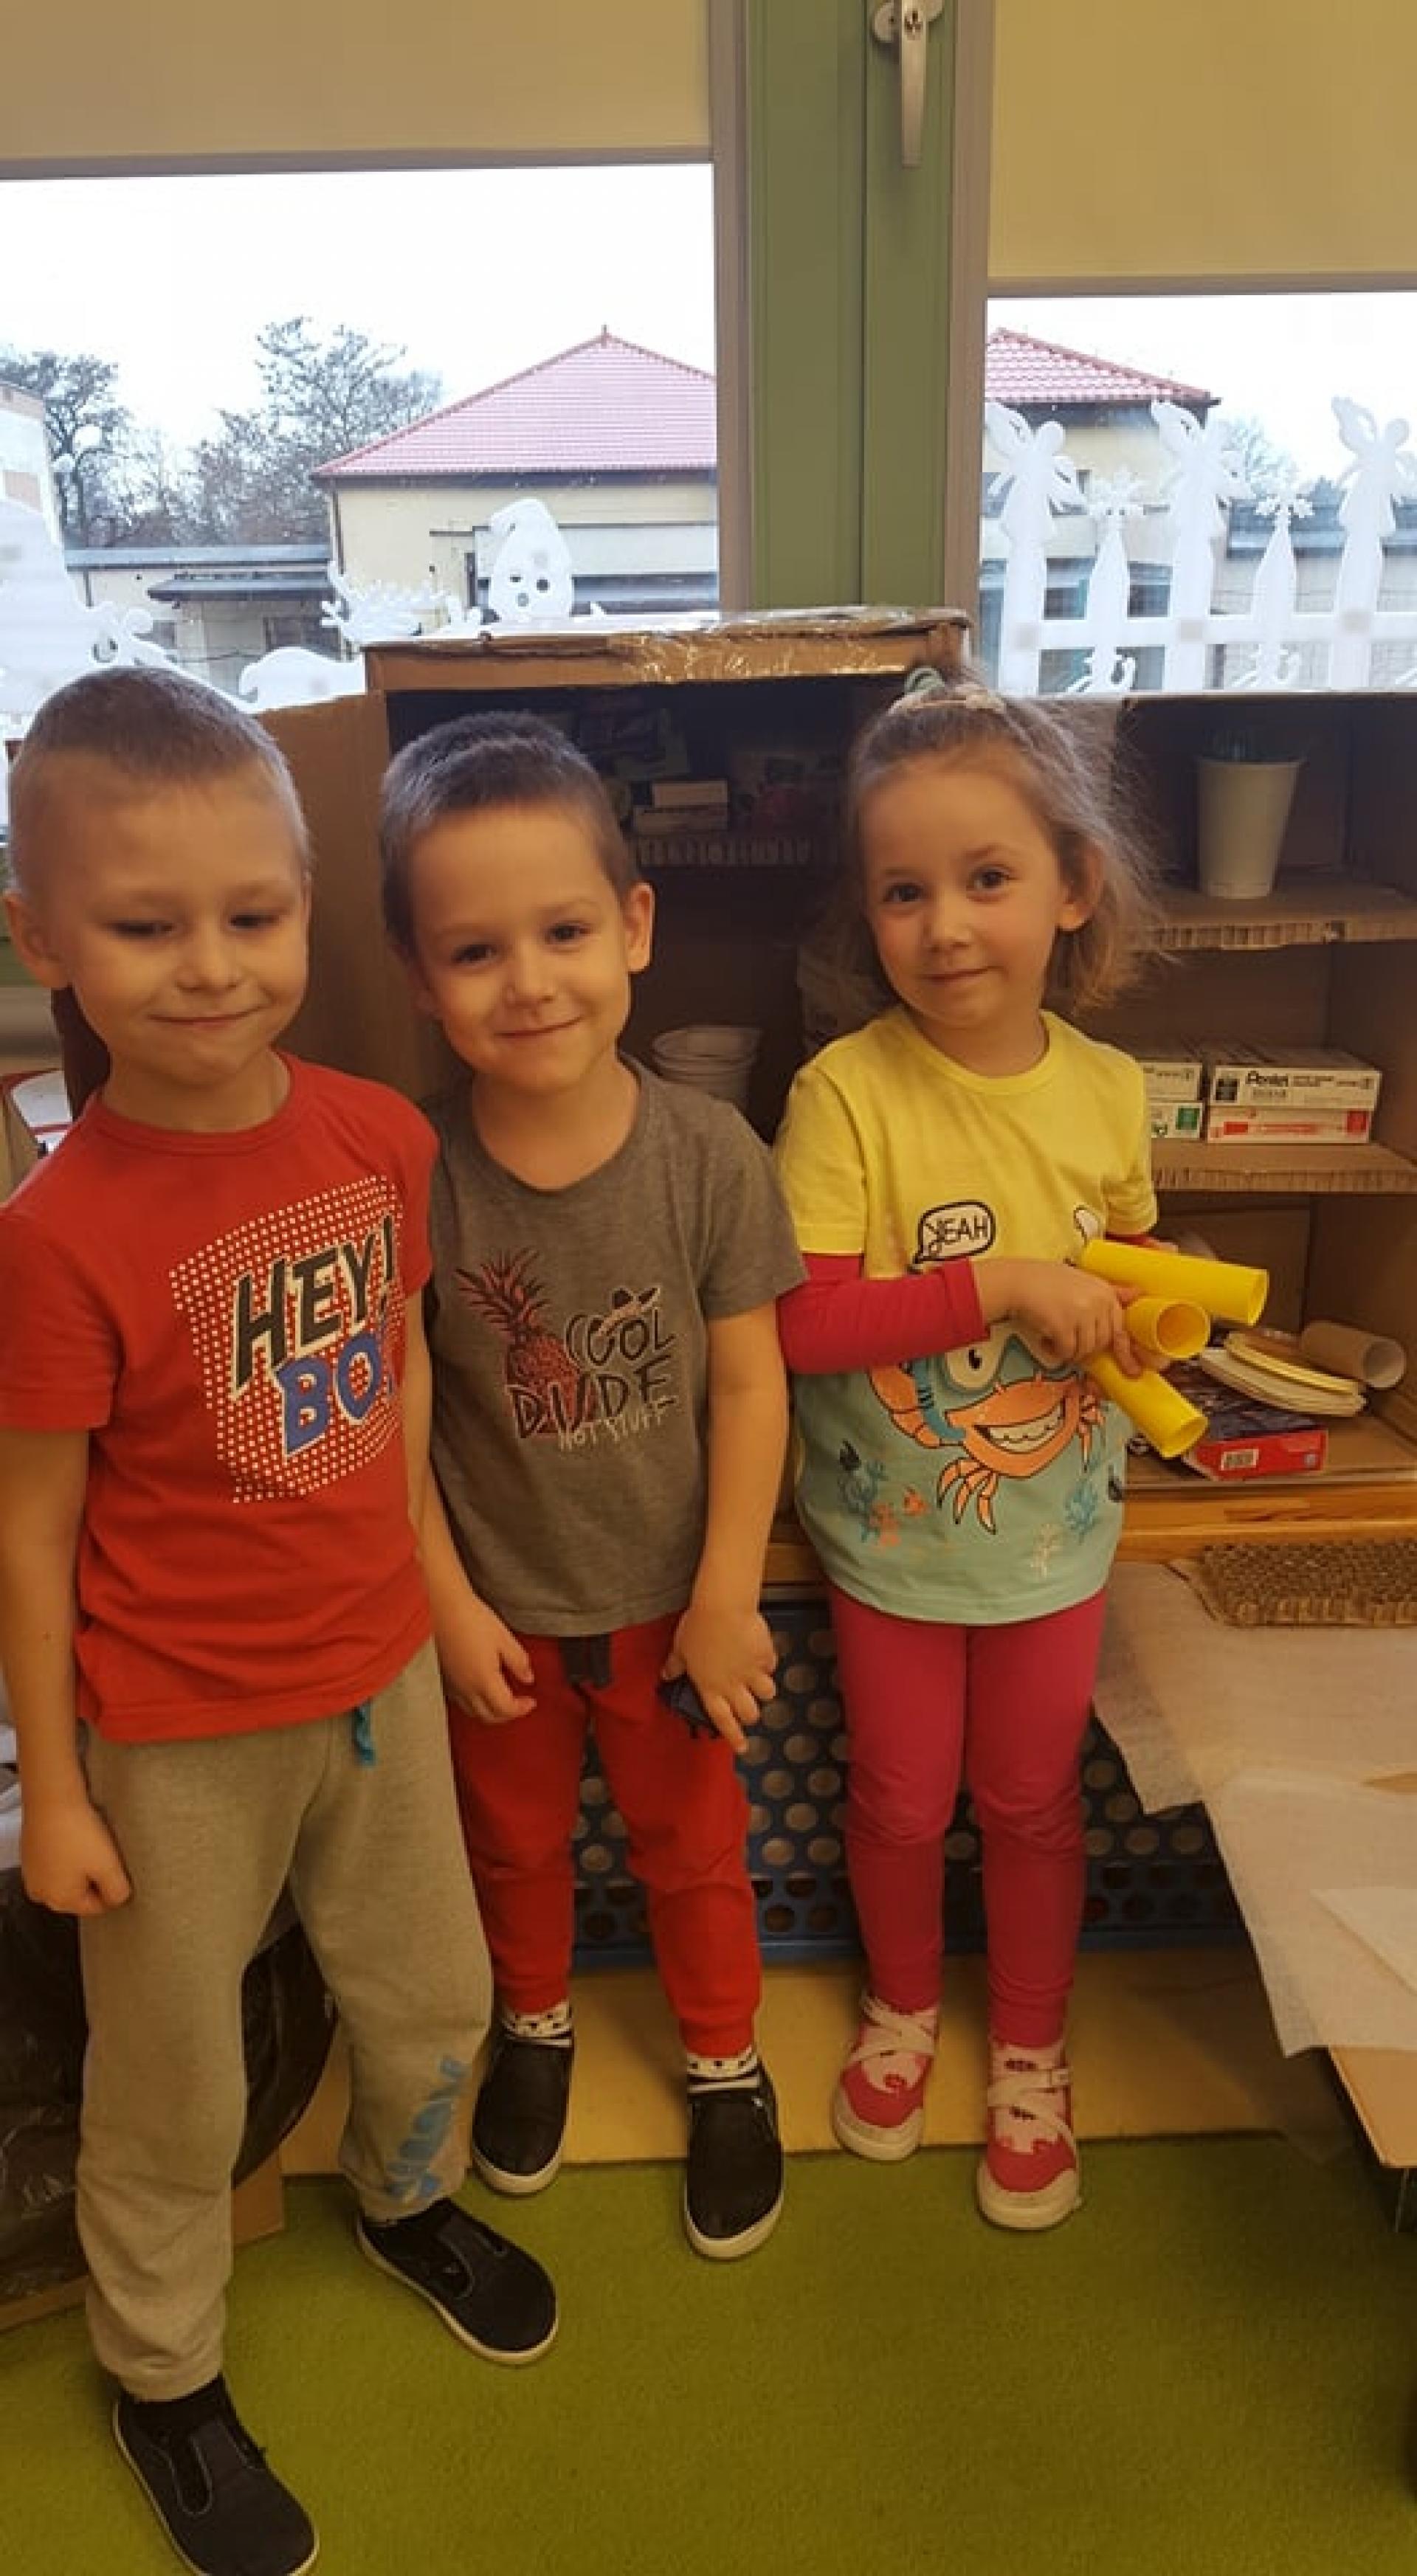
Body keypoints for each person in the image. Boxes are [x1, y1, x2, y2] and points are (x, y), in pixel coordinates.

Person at [0, 669, 556, 2576]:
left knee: (435, 1996)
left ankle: (407, 2202)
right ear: (44, 939)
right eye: (146, 927)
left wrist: (447, 1597)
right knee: (175, 2081)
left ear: (309, 903)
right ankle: (165, 2375)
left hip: (380, 1679)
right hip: (172, 1738)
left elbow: (392, 1386)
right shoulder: (59, 1235)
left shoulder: (380, 1137)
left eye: (254, 913)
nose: (212, 967)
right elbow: (32, 1525)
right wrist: (56, 1789)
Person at [378, 711, 804, 2261]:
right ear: (420, 979)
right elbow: (401, 1410)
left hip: (671, 1615)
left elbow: (751, 1384)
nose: (528, 981)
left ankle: (725, 2058)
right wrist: (441, 1600)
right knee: (510, 1847)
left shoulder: (708, 1154)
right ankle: (536, 2022)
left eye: (561, 932)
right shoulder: (415, 1171)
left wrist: (725, 1598)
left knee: (693, 1851)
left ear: (633, 926)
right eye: (474, 951)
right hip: (500, 1614)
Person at [774, 666, 1156, 2231]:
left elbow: (1127, 1259)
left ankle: (1035, 2052)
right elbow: (804, 1323)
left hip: (1057, 1533)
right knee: (895, 1799)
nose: (945, 927)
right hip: (892, 1539)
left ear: (1072, 886)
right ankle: (903, 2012)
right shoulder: (845, 1093)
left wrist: (1140, 1308)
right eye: (904, 891)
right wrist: (999, 1284)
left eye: (988, 879)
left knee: (1033, 1801)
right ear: (867, 912)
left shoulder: (1111, 1093)